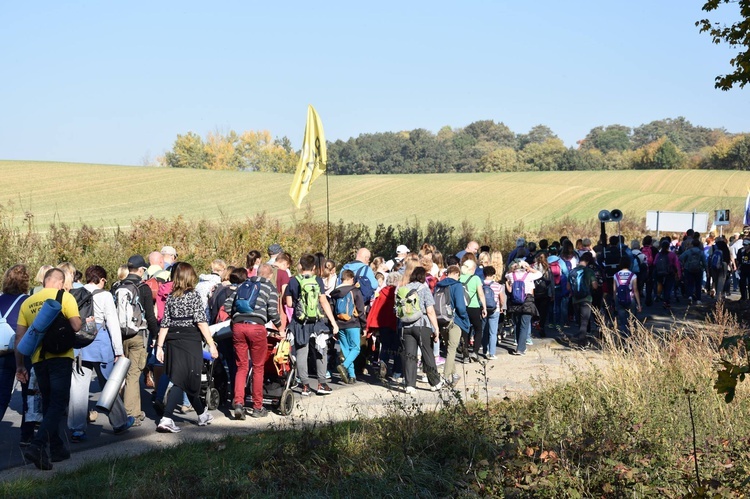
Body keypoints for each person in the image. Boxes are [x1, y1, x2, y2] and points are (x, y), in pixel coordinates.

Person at [15, 268, 82, 470]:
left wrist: (20, 365)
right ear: (60, 283)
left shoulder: (27, 302)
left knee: (48, 403)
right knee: (58, 404)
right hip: (60, 357)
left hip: (38, 359)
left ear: (44, 281)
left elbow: (20, 338)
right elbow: (77, 326)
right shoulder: (65, 297)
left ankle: (56, 448)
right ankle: (37, 445)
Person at [68, 266, 134, 442]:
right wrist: (119, 351)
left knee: (78, 388)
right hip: (100, 343)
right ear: (102, 279)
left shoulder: (75, 292)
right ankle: (119, 422)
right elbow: (112, 322)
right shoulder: (104, 295)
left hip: (80, 345)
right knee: (109, 385)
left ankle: (77, 429)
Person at [154, 262, 218, 432]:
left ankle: (202, 414)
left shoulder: (171, 297)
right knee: (182, 380)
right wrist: (211, 344)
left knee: (187, 378)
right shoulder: (194, 296)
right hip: (190, 341)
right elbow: (201, 322)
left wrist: (159, 346)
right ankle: (167, 418)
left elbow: (165, 323)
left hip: (172, 341)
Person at [225, 263, 281, 419]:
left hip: (238, 327)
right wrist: (279, 326)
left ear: (257, 272)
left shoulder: (244, 284)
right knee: (258, 367)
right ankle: (257, 407)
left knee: (241, 366)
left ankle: (238, 404)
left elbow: (228, 305)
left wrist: (235, 318)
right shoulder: (269, 287)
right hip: (256, 328)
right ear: (269, 275)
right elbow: (272, 311)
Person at [113, 254, 159, 425]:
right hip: (138, 335)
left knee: (121, 374)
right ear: (141, 270)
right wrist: (156, 335)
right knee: (133, 375)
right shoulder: (143, 287)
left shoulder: (117, 286)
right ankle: (131, 414)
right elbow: (150, 315)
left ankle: (128, 410)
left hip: (120, 336)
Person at [285, 254, 339, 396]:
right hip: (316, 321)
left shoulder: (293, 281)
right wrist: (333, 323)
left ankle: (305, 386)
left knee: (302, 352)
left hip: (300, 322)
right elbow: (323, 302)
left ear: (300, 266)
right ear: (314, 267)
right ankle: (322, 384)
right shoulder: (318, 280)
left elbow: (289, 304)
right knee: (321, 350)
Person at [399, 267, 443, 394]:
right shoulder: (424, 289)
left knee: (410, 355)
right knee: (427, 353)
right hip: (422, 325)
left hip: (406, 326)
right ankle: (435, 383)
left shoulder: (403, 289)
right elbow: (429, 310)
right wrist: (436, 328)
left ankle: (410, 385)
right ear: (423, 277)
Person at [0, 265, 29, 423]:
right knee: (28, 397)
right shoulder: (27, 301)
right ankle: (26, 437)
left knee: (1, 397)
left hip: (1, 352)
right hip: (22, 353)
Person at [434, 265, 469, 385]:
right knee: (452, 349)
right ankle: (444, 377)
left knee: (449, 349)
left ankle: (454, 375)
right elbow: (460, 306)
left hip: (440, 320)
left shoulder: (438, 285)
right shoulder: (457, 285)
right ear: (457, 274)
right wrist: (465, 317)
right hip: (455, 321)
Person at [330, 269, 366, 384]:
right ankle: (344, 366)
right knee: (355, 348)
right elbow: (360, 310)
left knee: (346, 349)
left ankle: (352, 376)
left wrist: (334, 326)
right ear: (351, 279)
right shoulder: (355, 291)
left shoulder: (335, 292)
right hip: (353, 323)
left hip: (339, 324)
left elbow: (331, 310)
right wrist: (364, 325)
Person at [367, 272, 400, 380]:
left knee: (385, 346)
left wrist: (372, 325)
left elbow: (375, 308)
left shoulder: (381, 292)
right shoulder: (398, 293)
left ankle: (383, 363)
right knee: (396, 347)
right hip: (394, 323)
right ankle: (396, 370)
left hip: (382, 323)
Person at [505, 259, 542, 356]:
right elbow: (540, 274)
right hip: (527, 301)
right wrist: (530, 269)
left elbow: (506, 275)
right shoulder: (529, 276)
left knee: (517, 323)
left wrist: (511, 270)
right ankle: (520, 348)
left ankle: (519, 343)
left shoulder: (511, 276)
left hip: (515, 302)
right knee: (524, 325)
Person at [458, 259, 488, 362]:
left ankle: (465, 355)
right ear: (472, 269)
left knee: (464, 330)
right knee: (478, 329)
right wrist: (484, 307)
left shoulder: (459, 278)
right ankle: (475, 352)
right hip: (474, 307)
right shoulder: (476, 278)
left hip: (461, 307)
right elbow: (480, 294)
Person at [568, 252, 599, 347]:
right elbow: (595, 286)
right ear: (588, 261)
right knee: (585, 321)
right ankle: (582, 342)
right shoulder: (589, 271)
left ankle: (581, 339)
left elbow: (568, 287)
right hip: (586, 299)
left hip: (575, 299)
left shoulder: (572, 271)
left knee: (580, 322)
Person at [613, 256, 642, 337]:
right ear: (629, 264)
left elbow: (614, 290)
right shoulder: (633, 275)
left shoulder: (616, 275)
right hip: (631, 299)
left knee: (622, 321)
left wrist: (614, 301)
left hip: (619, 299)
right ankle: (632, 336)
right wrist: (639, 304)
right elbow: (635, 290)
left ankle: (624, 337)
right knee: (632, 320)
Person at [481, 266, 503, 359]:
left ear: (484, 274)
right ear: (493, 274)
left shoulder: (480, 284)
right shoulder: (498, 286)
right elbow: (501, 299)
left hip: (483, 309)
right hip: (495, 309)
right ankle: (492, 353)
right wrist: (501, 307)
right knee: (492, 332)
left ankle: (484, 350)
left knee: (484, 330)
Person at [679, 239, 706, 304]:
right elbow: (704, 262)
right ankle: (698, 299)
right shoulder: (701, 252)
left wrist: (684, 264)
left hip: (688, 268)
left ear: (692, 244)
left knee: (690, 283)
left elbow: (680, 258)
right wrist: (705, 268)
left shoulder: (688, 251)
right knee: (698, 284)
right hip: (698, 269)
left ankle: (690, 296)